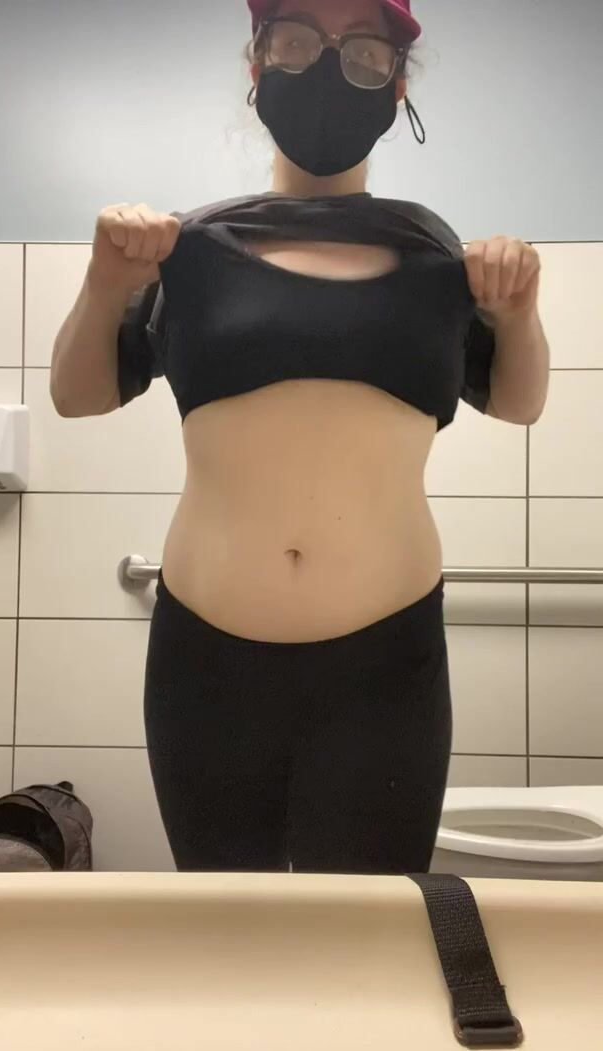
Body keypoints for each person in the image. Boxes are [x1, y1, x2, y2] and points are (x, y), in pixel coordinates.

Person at [50, 0, 550, 875]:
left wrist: (519, 313)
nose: (326, 64)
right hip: (206, 658)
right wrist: (102, 283)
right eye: (296, 41)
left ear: (397, 84)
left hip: (385, 665)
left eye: (363, 50)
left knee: (368, 931)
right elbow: (77, 396)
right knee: (228, 928)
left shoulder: (437, 259)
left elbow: (518, 403)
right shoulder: (189, 252)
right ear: (256, 64)